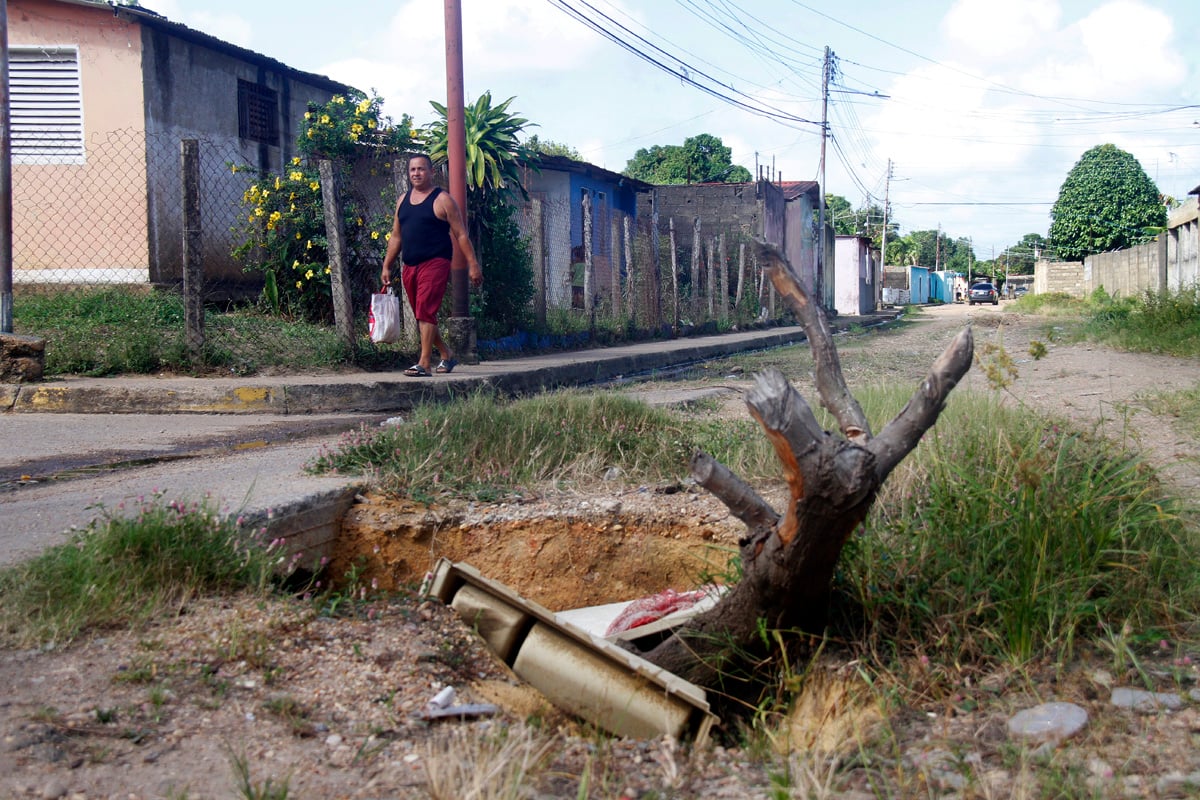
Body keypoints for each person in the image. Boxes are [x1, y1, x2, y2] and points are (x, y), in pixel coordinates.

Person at [380, 154, 483, 377]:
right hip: (410, 265)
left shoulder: (443, 200)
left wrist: (473, 264)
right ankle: (446, 354)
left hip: (436, 262)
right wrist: (387, 265)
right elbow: (396, 237)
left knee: (425, 309)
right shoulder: (402, 201)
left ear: (431, 172)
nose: (416, 173)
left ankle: (424, 363)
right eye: (413, 170)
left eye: (421, 169)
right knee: (422, 314)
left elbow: (461, 234)